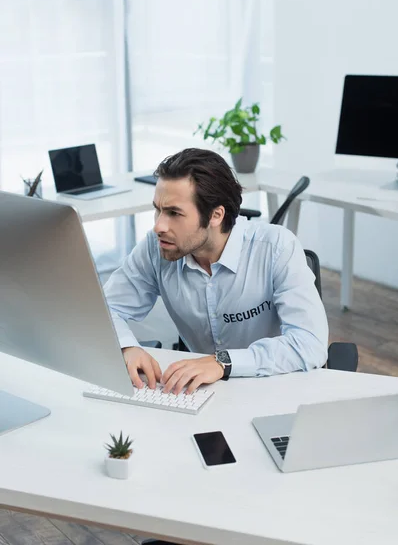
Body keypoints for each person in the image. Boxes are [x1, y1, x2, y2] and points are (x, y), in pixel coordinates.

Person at [103, 148, 328, 395]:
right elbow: (104, 309)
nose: (158, 225)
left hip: (272, 384)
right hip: (197, 390)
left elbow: (310, 344)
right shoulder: (155, 246)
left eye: (174, 213)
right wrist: (126, 347)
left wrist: (224, 362)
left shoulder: (277, 248)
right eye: (158, 209)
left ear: (216, 215)